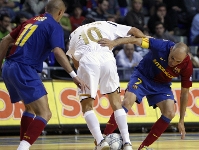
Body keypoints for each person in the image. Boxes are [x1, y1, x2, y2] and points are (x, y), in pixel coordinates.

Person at [0, 1, 87, 150]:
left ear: (46, 9)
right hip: (24, 68)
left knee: (30, 109)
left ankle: (23, 144)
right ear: (60, 13)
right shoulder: (54, 25)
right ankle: (23, 148)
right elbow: (58, 52)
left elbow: (5, 40)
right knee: (45, 113)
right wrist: (74, 75)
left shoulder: (30, 21)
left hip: (8, 67)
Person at [98, 36, 193, 149]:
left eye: (178, 61)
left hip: (161, 85)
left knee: (170, 112)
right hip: (143, 76)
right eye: (172, 58)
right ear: (171, 49)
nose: (173, 63)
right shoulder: (161, 45)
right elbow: (136, 40)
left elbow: (185, 93)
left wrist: (181, 120)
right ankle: (102, 139)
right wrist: (114, 42)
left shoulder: (187, 66)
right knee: (127, 102)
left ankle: (143, 147)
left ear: (184, 59)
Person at [66, 17, 146, 150]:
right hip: (107, 58)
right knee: (116, 104)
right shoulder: (105, 24)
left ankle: (100, 141)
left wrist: (85, 74)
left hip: (88, 60)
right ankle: (127, 143)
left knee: (87, 106)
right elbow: (135, 31)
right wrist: (146, 40)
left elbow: (75, 62)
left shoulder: (74, 33)